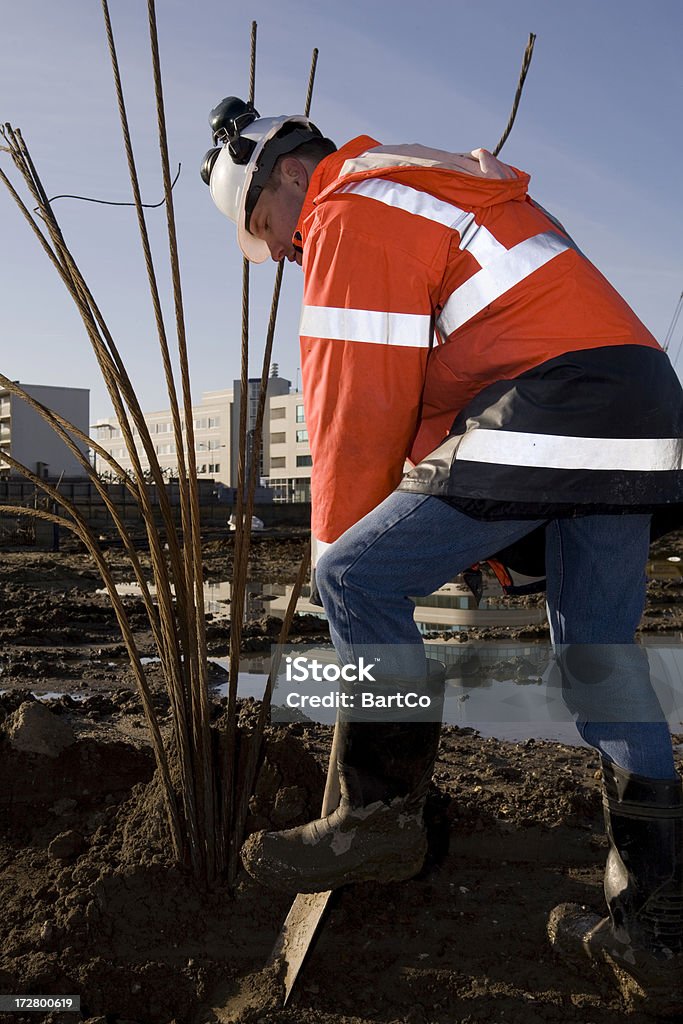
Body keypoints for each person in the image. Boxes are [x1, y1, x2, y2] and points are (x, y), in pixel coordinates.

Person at [201, 97, 683, 1004]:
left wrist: (340, 551)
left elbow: (357, 402)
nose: (290, 255)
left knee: (355, 574)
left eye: (275, 232)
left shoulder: (347, 208)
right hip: (639, 405)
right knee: (598, 665)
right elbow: (430, 406)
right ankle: (655, 931)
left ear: (295, 178)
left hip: (558, 403)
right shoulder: (422, 194)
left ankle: (381, 815)